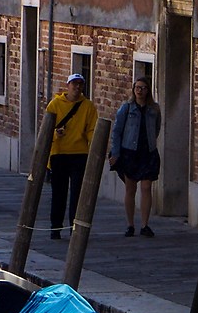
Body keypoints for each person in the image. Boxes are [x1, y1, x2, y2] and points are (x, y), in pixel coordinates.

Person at [45, 70, 98, 240]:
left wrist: (94, 147)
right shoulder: (55, 104)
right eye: (74, 84)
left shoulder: (88, 106)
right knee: (58, 192)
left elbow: (92, 129)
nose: (77, 87)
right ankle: (55, 227)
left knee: (77, 194)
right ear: (67, 86)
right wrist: (55, 134)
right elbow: (45, 129)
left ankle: (74, 227)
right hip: (59, 153)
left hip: (79, 154)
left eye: (80, 84)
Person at [110, 74, 162, 237]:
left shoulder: (154, 109)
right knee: (130, 188)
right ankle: (130, 224)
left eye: (143, 88)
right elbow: (117, 131)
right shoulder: (126, 108)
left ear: (148, 91)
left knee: (146, 187)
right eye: (137, 87)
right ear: (133, 89)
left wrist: (151, 142)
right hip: (129, 152)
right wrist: (116, 152)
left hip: (148, 152)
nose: (140, 90)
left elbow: (157, 127)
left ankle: (145, 224)